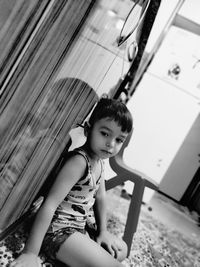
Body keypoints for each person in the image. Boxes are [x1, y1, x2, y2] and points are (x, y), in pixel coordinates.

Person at [9, 97, 133, 267]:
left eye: (119, 140)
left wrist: (103, 232)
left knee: (122, 250)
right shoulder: (79, 162)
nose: (111, 144)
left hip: (79, 226)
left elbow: (101, 197)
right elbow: (50, 204)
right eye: (105, 134)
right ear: (89, 130)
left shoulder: (99, 162)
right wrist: (30, 252)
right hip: (58, 231)